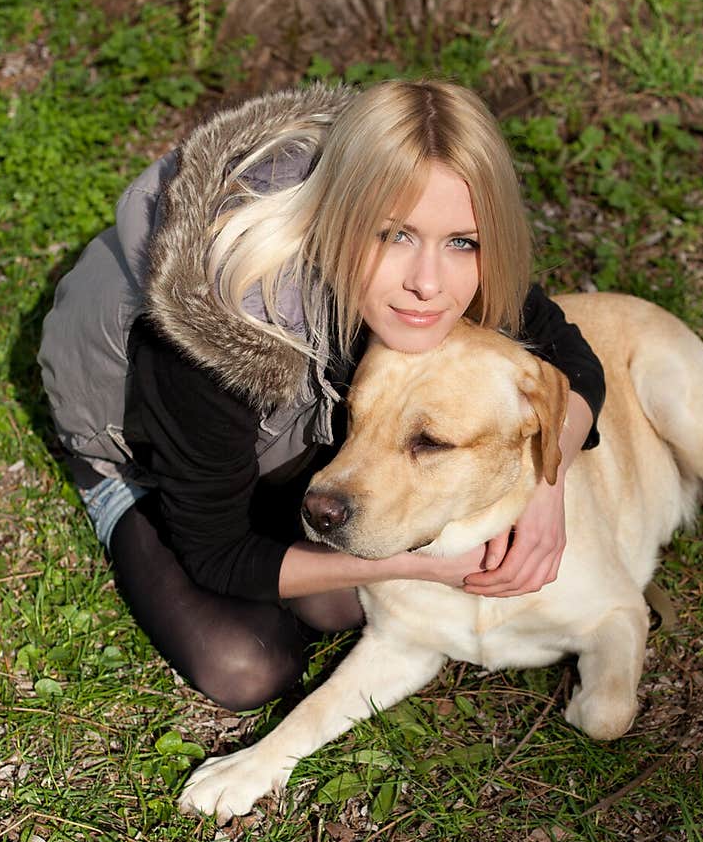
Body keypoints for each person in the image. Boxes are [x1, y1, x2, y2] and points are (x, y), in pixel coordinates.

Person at [38, 79, 605, 712]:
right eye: (394, 235)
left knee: (335, 600)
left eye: (462, 242)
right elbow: (218, 555)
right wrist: (425, 567)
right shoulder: (219, 327)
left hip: (296, 433)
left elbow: (575, 366)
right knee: (247, 663)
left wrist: (549, 486)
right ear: (339, 215)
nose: (428, 282)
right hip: (140, 445)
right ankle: (112, 494)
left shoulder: (453, 273)